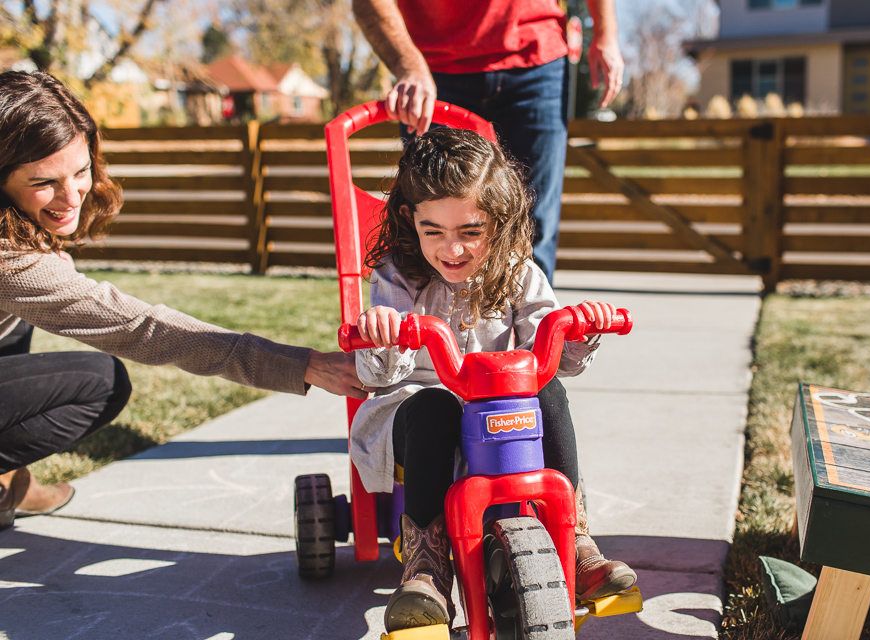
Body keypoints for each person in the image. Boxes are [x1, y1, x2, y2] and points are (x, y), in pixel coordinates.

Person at [0, 70, 365, 531]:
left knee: (14, 325)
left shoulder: (17, 228)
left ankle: (8, 481)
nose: (72, 195)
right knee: (98, 381)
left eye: (81, 171)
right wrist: (303, 363)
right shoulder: (9, 262)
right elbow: (140, 328)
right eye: (43, 182)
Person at [351, 128, 636, 632]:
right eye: (433, 230)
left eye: (471, 231)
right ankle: (427, 567)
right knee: (437, 406)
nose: (452, 247)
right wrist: (385, 335)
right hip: (418, 413)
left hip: (503, 414)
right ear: (409, 220)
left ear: (499, 222)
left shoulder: (519, 274)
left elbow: (555, 359)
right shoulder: (398, 278)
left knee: (545, 389)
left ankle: (575, 539)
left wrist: (577, 331)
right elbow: (378, 374)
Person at [353, 0, 625, 285]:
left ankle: (530, 324)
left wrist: (606, 32)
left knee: (532, 220)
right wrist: (409, 66)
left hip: (536, 55)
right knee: (429, 215)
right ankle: (427, 325)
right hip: (433, 65)